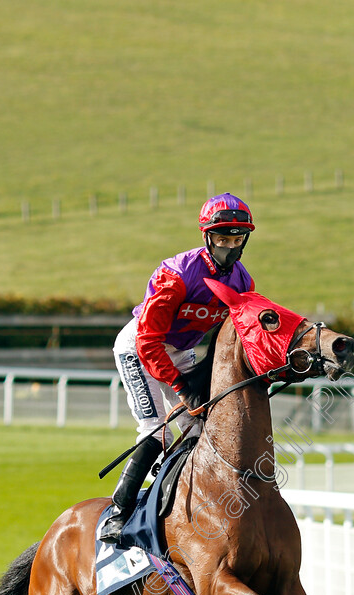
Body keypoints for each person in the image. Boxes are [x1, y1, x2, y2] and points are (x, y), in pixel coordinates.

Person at [99, 193, 256, 543]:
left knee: (198, 430)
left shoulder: (243, 283)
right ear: (206, 236)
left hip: (182, 352)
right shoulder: (177, 274)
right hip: (140, 349)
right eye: (222, 239)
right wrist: (182, 388)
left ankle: (180, 513)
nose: (230, 247)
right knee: (158, 430)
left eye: (236, 239)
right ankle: (119, 514)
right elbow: (148, 342)